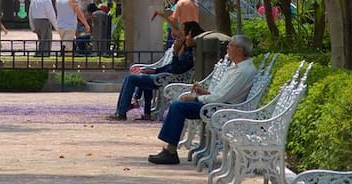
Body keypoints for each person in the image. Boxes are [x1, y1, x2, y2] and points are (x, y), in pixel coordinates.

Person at [148, 36, 257, 165]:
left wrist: (196, 97)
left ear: (239, 50)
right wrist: (204, 92)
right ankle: (169, 150)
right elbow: (222, 94)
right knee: (179, 104)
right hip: (218, 104)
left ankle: (170, 152)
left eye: (230, 46)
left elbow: (220, 98)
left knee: (178, 106)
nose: (227, 48)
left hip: (222, 109)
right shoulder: (239, 67)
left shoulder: (243, 71)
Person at [108, 27, 194, 121]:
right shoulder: (184, 50)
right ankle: (142, 111)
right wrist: (154, 71)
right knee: (135, 76)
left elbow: (175, 70)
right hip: (164, 76)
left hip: (168, 79)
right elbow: (169, 67)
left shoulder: (189, 54)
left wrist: (176, 54)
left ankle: (122, 112)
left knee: (131, 79)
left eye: (185, 34)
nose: (180, 37)